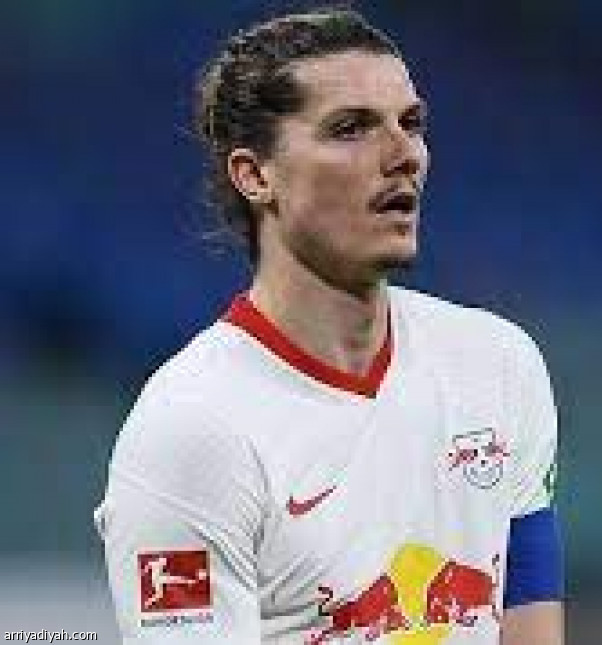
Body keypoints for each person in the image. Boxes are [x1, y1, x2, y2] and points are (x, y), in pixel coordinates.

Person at [94, 7, 564, 644]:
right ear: (255, 175)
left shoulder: (498, 367)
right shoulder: (191, 435)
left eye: (411, 124)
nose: (404, 155)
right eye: (351, 129)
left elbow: (530, 623)